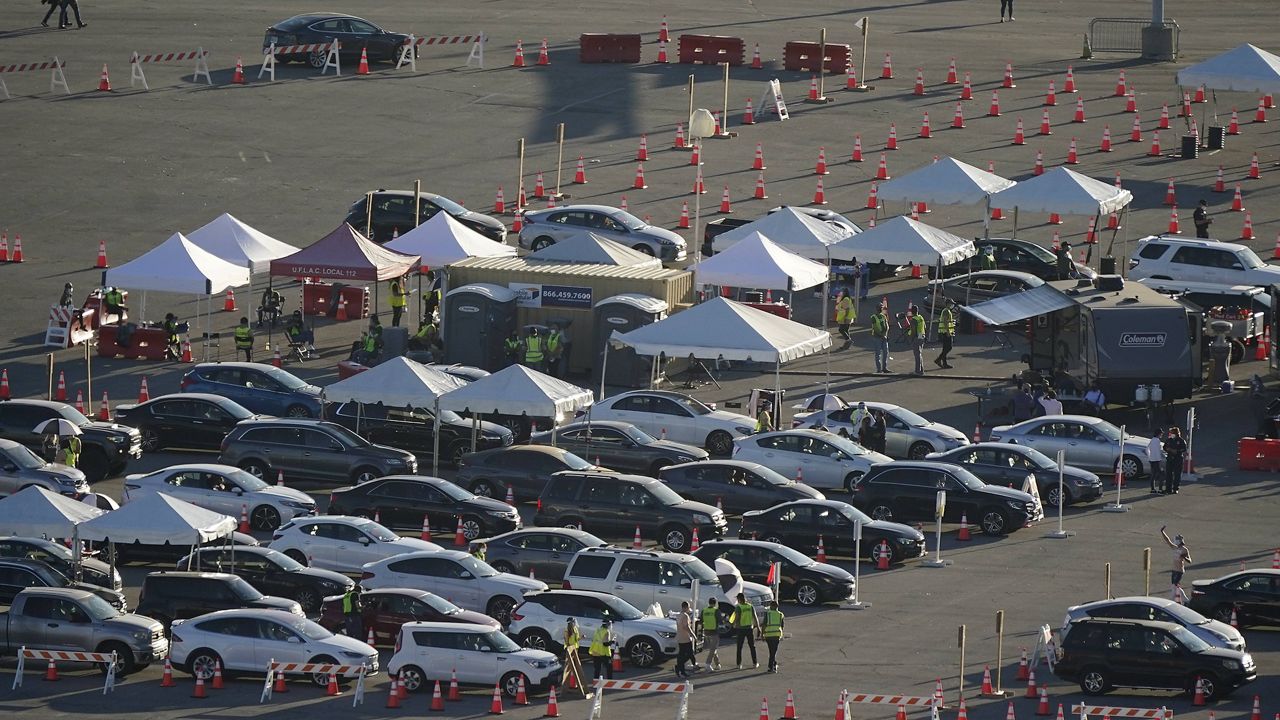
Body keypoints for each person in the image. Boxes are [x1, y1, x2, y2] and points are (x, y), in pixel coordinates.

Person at [1160, 526, 1192, 603]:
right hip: (1174, 570)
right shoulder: (1175, 548)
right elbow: (1167, 540)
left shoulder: (1184, 550)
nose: (1174, 542)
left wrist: (1184, 558)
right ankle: (1186, 600)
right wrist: (1162, 532)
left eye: (1176, 540)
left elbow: (1190, 560)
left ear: (1179, 541)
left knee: (1174, 586)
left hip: (1179, 571)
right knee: (1175, 586)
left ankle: (1170, 601)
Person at [731, 592, 759, 670]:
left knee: (739, 647)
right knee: (752, 646)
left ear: (739, 599)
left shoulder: (738, 607)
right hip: (749, 628)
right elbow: (755, 617)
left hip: (741, 629)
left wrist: (733, 624)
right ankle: (755, 663)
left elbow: (737, 617)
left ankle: (739, 664)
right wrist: (758, 627)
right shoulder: (750, 606)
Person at [561, 618, 587, 697]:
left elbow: (576, 639)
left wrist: (581, 637)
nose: (575, 623)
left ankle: (572, 684)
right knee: (568, 668)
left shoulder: (575, 629)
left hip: (575, 649)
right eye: (574, 622)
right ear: (571, 623)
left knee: (575, 666)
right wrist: (569, 648)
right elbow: (567, 641)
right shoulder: (567, 630)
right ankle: (565, 686)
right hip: (570, 649)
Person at [697, 596, 722, 671]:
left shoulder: (704, 610)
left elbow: (701, 621)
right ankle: (708, 664)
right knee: (713, 649)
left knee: (713, 649)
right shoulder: (716, 611)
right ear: (715, 603)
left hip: (706, 631)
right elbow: (720, 621)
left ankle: (718, 664)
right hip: (714, 632)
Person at [1163, 427, 1188, 494]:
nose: (1171, 434)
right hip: (1170, 458)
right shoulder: (1169, 440)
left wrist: (1177, 451)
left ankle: (1175, 488)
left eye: (1172, 433)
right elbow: (1164, 447)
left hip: (1178, 459)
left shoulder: (1181, 440)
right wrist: (1168, 449)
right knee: (1168, 474)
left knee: (1177, 474)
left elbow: (1184, 449)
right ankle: (1168, 489)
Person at [675, 601, 696, 678]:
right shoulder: (685, 616)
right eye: (688, 607)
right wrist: (693, 635)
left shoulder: (678, 616)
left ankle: (680, 669)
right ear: (685, 607)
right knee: (690, 653)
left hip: (680, 637)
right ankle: (679, 667)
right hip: (686, 638)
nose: (688, 609)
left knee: (681, 654)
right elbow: (686, 627)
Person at [762, 600, 784, 673]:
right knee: (773, 652)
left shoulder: (767, 614)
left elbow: (764, 624)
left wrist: (762, 634)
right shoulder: (781, 614)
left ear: (771, 606)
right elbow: (782, 626)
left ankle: (772, 666)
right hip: (777, 635)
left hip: (768, 635)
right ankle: (773, 666)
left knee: (772, 651)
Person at [934, 300, 955, 369]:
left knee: (945, 348)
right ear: (948, 304)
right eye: (951, 304)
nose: (952, 305)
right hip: (945, 332)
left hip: (944, 332)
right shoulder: (946, 311)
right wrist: (948, 332)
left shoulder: (947, 311)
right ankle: (939, 360)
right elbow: (945, 322)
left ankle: (943, 363)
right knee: (949, 347)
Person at [870, 305, 890, 373]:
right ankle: (879, 369)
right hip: (877, 337)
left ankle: (884, 368)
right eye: (880, 307)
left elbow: (887, 326)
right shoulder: (873, 317)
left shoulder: (883, 316)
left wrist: (885, 334)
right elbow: (875, 327)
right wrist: (882, 335)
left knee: (885, 352)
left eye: (881, 308)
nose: (881, 309)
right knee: (878, 353)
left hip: (884, 336)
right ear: (877, 308)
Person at [907, 307, 926, 375]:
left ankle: (918, 370)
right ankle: (921, 370)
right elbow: (924, 327)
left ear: (912, 312)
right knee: (919, 354)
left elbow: (913, 331)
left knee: (917, 355)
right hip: (921, 335)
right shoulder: (921, 317)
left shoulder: (913, 320)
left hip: (916, 337)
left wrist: (911, 339)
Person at [1147, 429, 1166, 493]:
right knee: (1161, 475)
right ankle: (1160, 489)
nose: (1162, 435)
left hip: (1152, 460)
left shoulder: (1152, 440)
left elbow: (1147, 449)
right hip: (1157, 460)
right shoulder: (1157, 441)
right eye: (1161, 433)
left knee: (1153, 475)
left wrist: (1149, 456)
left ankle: (1152, 489)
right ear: (1158, 434)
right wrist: (1162, 456)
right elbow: (1159, 451)